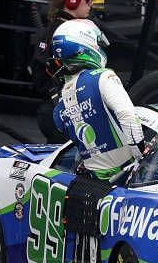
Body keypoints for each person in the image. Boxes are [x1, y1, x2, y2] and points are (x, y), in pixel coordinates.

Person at [51, 19, 148, 181]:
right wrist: (142, 157)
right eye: (98, 44)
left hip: (93, 182)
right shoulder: (103, 77)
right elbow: (127, 115)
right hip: (128, 177)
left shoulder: (60, 100)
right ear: (86, 46)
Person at [30, 0, 102, 143]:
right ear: (71, 0)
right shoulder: (58, 34)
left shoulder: (78, 28)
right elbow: (41, 80)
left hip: (74, 112)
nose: (91, 3)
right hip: (62, 114)